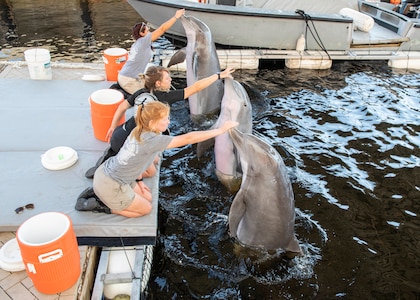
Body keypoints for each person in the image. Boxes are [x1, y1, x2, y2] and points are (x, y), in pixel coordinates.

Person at [92, 101, 238, 218]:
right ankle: (101, 205)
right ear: (152, 124)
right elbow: (189, 138)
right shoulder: (152, 140)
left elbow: (134, 161)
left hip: (108, 173)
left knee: (147, 196)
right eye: (164, 119)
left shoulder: (139, 130)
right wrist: (220, 130)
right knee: (145, 209)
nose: (168, 122)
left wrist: (139, 181)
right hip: (111, 185)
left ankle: (102, 194)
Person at [84, 65, 235, 178]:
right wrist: (219, 75)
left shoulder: (141, 92)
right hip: (129, 144)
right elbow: (195, 88)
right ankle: (113, 170)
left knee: (153, 158)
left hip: (119, 134)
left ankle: (110, 155)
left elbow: (122, 106)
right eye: (167, 78)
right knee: (150, 169)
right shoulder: (163, 98)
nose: (171, 80)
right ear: (158, 84)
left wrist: (112, 127)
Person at [118, 8, 185, 95]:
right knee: (148, 95)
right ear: (142, 34)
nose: (149, 32)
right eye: (147, 30)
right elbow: (162, 29)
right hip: (129, 80)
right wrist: (176, 17)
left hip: (131, 76)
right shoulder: (143, 41)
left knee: (154, 88)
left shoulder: (139, 44)